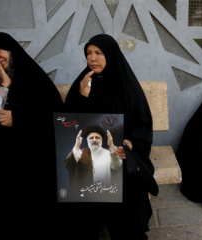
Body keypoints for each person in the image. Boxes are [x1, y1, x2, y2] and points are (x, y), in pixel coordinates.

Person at [63, 33, 157, 239]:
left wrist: (131, 143)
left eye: (98, 53)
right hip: (92, 150)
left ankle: (124, 228)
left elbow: (142, 124)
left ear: (110, 55)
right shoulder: (84, 83)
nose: (92, 58)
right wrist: (83, 98)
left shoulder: (126, 85)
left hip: (120, 152)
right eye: (88, 53)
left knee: (122, 175)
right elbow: (70, 124)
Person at [0, 32, 63, 239]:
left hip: (32, 149)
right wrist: (3, 86)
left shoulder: (34, 78)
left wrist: (19, 120)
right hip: (0, 154)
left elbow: (52, 117)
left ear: (11, 51)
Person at [64, 125, 123, 197]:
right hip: (87, 195)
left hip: (106, 194)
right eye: (91, 138)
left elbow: (117, 166)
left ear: (102, 140)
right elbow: (69, 164)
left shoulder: (109, 153)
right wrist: (77, 145)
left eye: (97, 137)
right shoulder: (80, 153)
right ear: (87, 140)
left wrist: (111, 145)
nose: (94, 140)